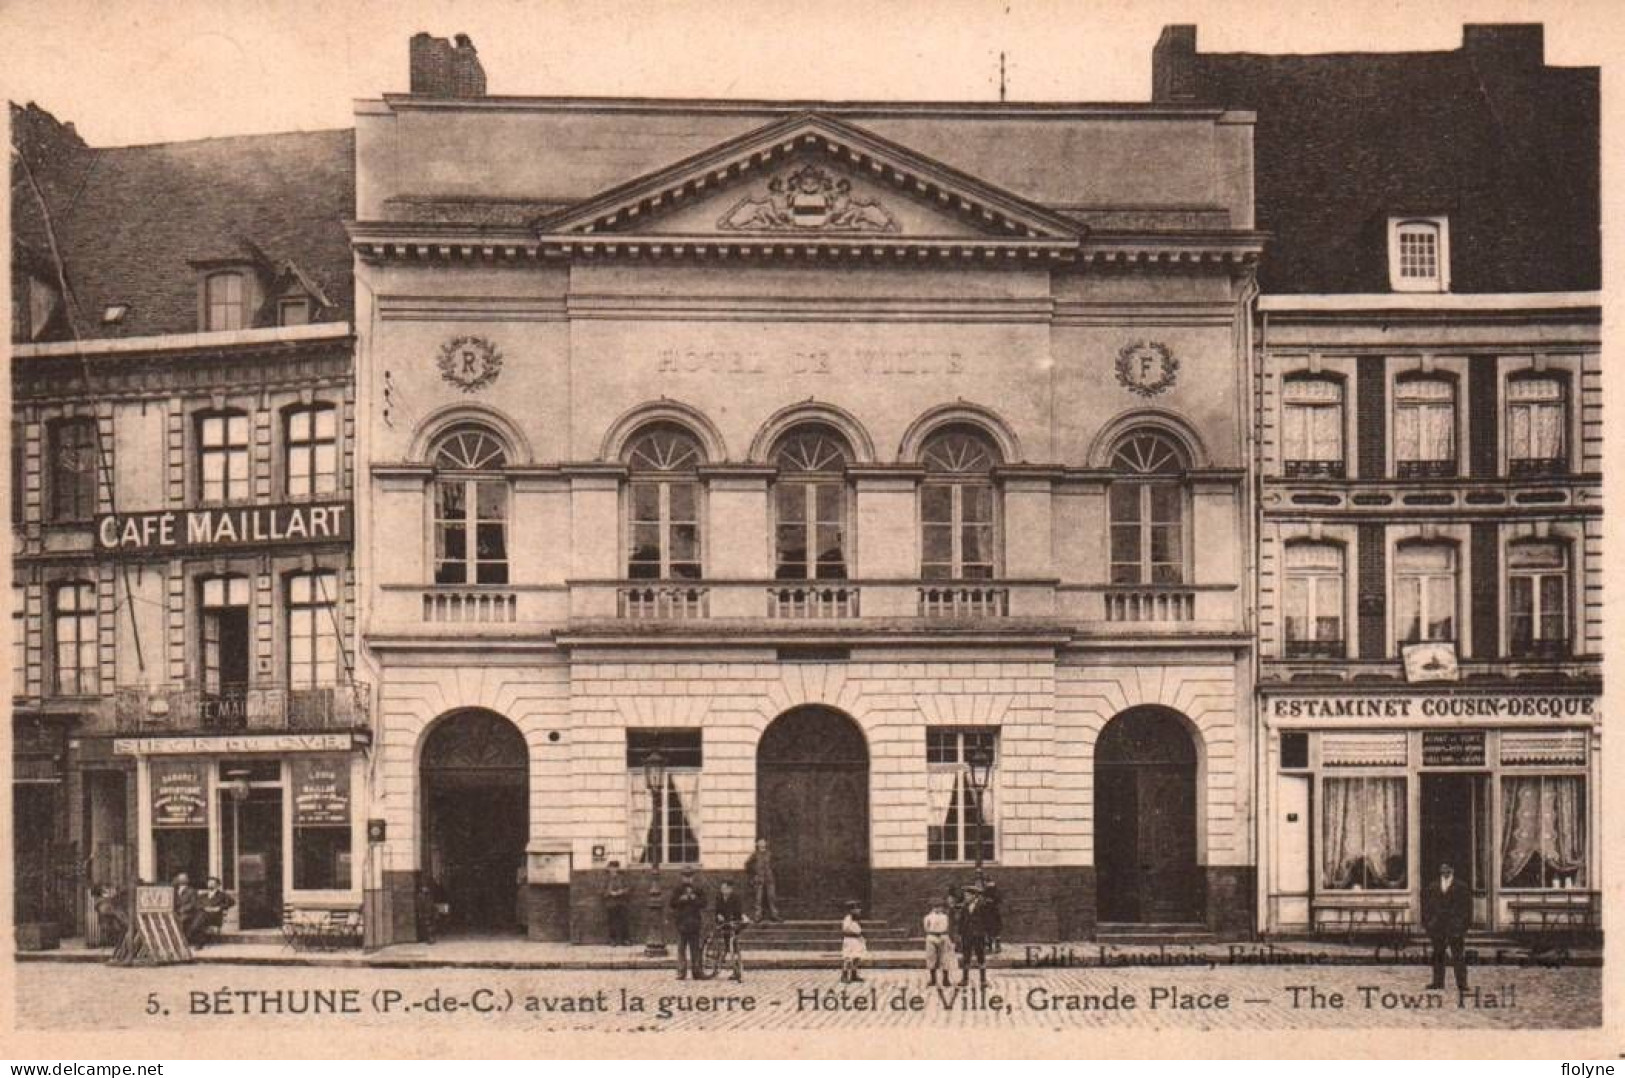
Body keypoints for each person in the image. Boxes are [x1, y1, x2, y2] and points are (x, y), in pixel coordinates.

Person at [1422, 861, 1472, 991]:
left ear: (1452, 869)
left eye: (1447, 867)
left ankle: (1462, 984)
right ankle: (1437, 982)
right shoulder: (1433, 886)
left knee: (1458, 955)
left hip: (1454, 927)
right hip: (1438, 926)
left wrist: (1462, 927)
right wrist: (1429, 923)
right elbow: (1427, 906)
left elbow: (1467, 909)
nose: (1445, 870)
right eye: (1442, 867)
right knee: (1438, 954)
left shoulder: (1461, 887)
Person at [670, 869, 707, 980]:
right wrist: (682, 899)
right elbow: (672, 903)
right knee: (681, 949)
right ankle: (681, 972)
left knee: (696, 949)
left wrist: (694, 899)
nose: (687, 879)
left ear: (693, 878)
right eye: (685, 876)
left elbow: (704, 903)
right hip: (682, 923)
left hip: (694, 923)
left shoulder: (698, 890)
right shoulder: (678, 890)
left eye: (690, 876)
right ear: (682, 877)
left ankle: (697, 972)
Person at [713, 880, 749, 982]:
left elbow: (738, 911)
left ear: (730, 889)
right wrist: (718, 915)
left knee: (734, 945)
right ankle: (721, 961)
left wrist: (732, 920)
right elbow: (717, 910)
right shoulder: (719, 897)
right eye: (722, 888)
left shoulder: (736, 898)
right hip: (723, 923)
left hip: (733, 923)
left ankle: (736, 970)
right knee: (726, 944)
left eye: (725, 888)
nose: (722, 890)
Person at [957, 885, 989, 987]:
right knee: (966, 957)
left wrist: (986, 934)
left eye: (967, 895)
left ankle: (983, 980)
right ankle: (965, 979)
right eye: (965, 895)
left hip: (979, 935)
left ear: (974, 896)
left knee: (981, 957)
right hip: (967, 935)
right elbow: (961, 922)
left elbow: (987, 921)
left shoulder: (982, 905)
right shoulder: (964, 907)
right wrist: (959, 934)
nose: (965, 897)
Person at [191, 877, 236, 947]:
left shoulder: (222, 895)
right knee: (200, 918)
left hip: (215, 916)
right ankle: (199, 941)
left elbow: (232, 902)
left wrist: (219, 908)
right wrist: (205, 908)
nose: (210, 884)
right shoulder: (203, 895)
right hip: (203, 915)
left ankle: (198, 941)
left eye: (212, 883)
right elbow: (197, 904)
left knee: (198, 921)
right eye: (209, 883)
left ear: (217, 885)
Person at [744, 838, 781, 923]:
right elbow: (747, 865)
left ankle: (774, 915)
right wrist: (754, 874)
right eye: (760, 842)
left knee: (772, 897)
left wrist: (772, 871)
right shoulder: (755, 855)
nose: (762, 843)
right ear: (757, 844)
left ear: (766, 843)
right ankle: (758, 916)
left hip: (769, 879)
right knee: (758, 898)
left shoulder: (769, 854)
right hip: (759, 879)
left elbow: (775, 864)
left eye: (763, 842)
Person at [922, 898, 953, 986]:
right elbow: (926, 928)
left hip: (943, 936)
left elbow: (946, 927)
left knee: (945, 958)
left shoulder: (944, 917)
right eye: (936, 907)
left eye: (940, 907)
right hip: (932, 936)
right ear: (932, 907)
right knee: (931, 957)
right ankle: (933, 979)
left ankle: (945, 979)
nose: (938, 909)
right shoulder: (928, 917)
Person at [90, 885, 128, 950]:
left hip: (112, 925)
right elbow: (115, 914)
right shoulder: (104, 903)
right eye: (105, 891)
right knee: (122, 933)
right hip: (113, 926)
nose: (107, 892)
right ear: (102, 893)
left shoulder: (102, 902)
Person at [604, 862, 632, 946]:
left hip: (622, 902)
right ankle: (613, 940)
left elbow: (628, 888)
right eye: (611, 868)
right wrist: (610, 893)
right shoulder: (606, 879)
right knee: (612, 922)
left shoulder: (622, 878)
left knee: (624, 921)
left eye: (615, 868)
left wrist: (621, 892)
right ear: (608, 869)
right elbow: (601, 890)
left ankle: (625, 940)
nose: (613, 870)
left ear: (618, 868)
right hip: (611, 903)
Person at [840, 901, 867, 984]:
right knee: (848, 958)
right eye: (856, 909)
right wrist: (855, 934)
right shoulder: (847, 919)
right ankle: (844, 975)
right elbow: (845, 930)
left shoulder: (855, 919)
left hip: (857, 940)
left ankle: (854, 974)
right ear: (851, 910)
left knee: (857, 957)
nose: (858, 911)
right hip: (850, 940)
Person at [980, 878, 1003, 955]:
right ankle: (996, 947)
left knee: (990, 931)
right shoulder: (995, 891)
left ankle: (992, 947)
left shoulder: (986, 891)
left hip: (990, 914)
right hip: (993, 914)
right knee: (994, 932)